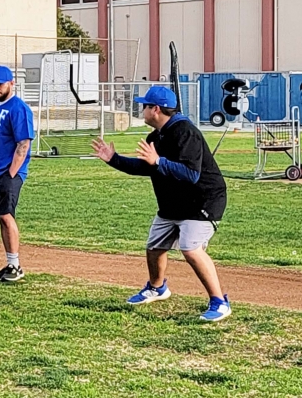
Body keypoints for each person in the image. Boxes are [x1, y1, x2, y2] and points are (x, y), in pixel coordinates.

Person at [91, 86, 231, 322]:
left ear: (155, 109)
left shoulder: (186, 132)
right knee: (155, 247)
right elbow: (147, 167)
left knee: (190, 248)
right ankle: (157, 288)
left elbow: (191, 174)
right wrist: (113, 159)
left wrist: (159, 161)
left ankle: (219, 302)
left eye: (144, 106)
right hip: (173, 202)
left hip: (202, 201)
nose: (142, 110)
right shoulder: (155, 137)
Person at [0, 65, 34, 282]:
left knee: (6, 215)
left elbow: (24, 143)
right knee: (0, 218)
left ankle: (16, 266)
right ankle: (10, 263)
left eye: (0, 84)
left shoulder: (18, 108)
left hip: (10, 172)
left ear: (11, 83)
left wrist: (11, 173)